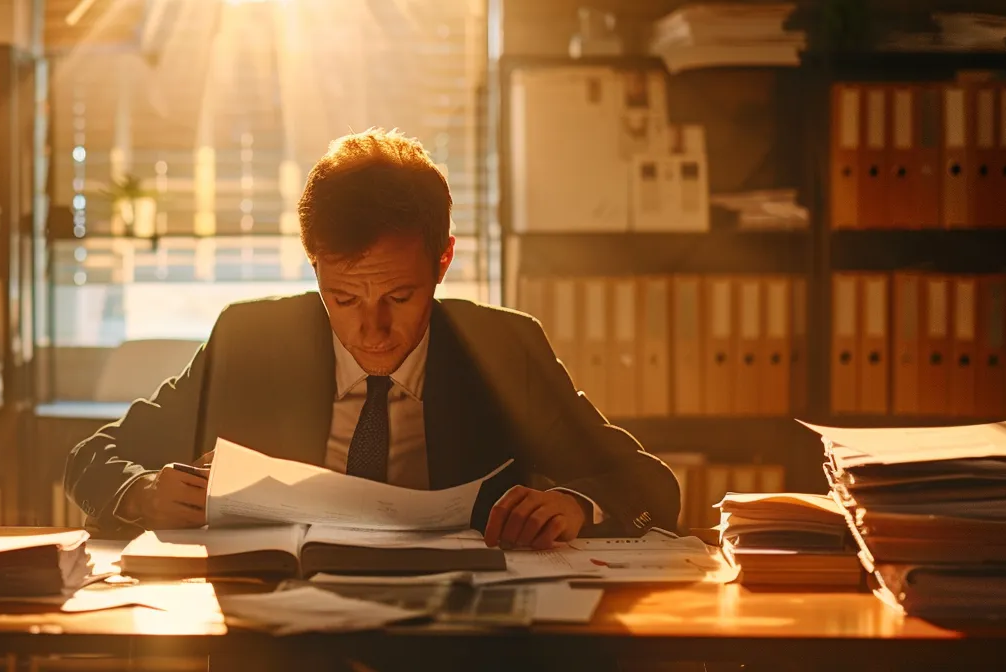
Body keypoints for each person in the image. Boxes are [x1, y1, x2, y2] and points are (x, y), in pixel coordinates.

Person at [64, 129, 678, 549]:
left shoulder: (504, 348)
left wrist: (575, 503)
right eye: (344, 298)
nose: (371, 329)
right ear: (314, 267)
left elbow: (650, 484)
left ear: (443, 261)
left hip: (462, 639)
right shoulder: (250, 340)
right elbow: (91, 455)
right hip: (285, 637)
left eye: (400, 298)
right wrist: (140, 493)